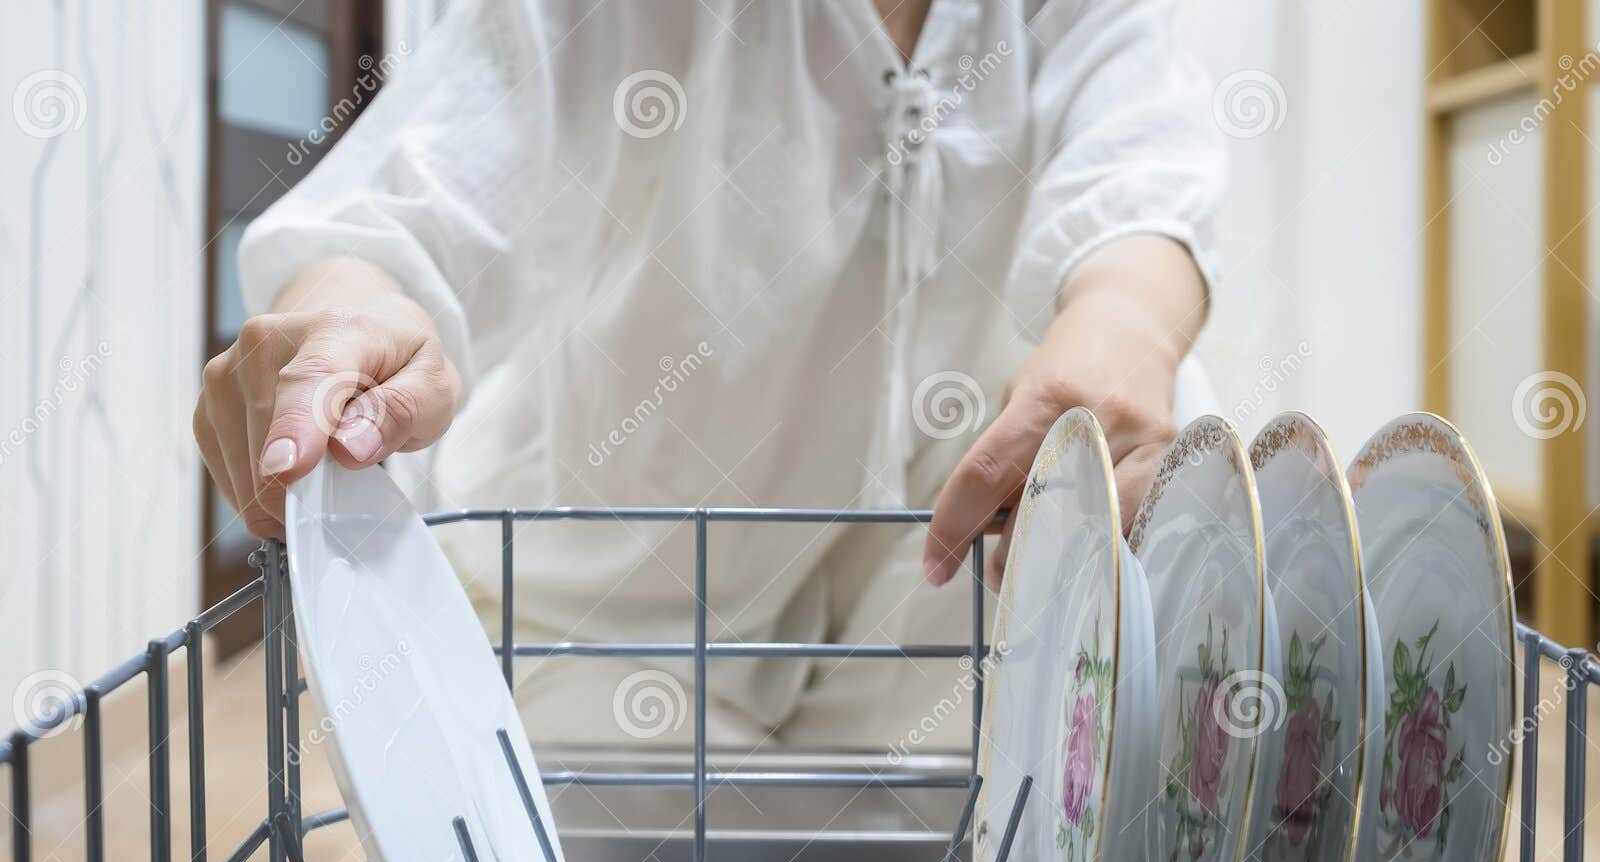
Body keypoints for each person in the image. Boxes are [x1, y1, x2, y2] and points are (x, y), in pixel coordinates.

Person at [193, 0, 1223, 755]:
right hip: (604, 636)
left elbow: (1140, 192)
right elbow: (406, 209)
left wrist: (1122, 329)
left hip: (940, 632)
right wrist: (336, 323)